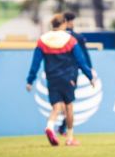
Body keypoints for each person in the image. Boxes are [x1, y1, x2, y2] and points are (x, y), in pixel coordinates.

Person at [26, 14, 95, 146]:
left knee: (56, 107)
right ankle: (69, 138)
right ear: (64, 24)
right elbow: (81, 61)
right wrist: (90, 76)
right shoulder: (70, 40)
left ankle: (50, 126)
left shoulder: (43, 40)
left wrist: (30, 80)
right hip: (68, 78)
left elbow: (35, 63)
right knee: (69, 107)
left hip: (52, 78)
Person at [56, 11, 94, 136]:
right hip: (71, 73)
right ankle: (63, 128)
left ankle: (60, 126)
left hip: (55, 72)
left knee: (60, 100)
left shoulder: (54, 36)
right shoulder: (77, 38)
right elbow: (83, 56)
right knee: (68, 102)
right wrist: (90, 70)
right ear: (69, 21)